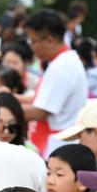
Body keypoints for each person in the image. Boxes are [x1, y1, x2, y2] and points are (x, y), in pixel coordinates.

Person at [21, 10, 88, 157]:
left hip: (56, 145)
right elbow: (43, 99)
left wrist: (2, 112)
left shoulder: (62, 67)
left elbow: (41, 111)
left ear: (50, 40)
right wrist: (14, 98)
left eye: (33, 41)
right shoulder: (62, 61)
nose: (31, 47)